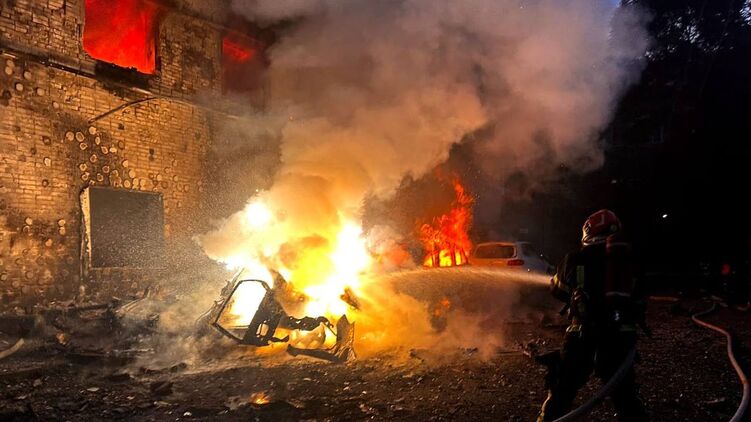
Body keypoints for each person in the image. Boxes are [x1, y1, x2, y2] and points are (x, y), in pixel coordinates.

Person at [537, 209, 649, 421]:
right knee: (625, 396)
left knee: (563, 389)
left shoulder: (575, 258)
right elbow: (640, 294)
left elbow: (558, 291)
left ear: (588, 232)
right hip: (619, 336)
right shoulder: (628, 259)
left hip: (582, 335)